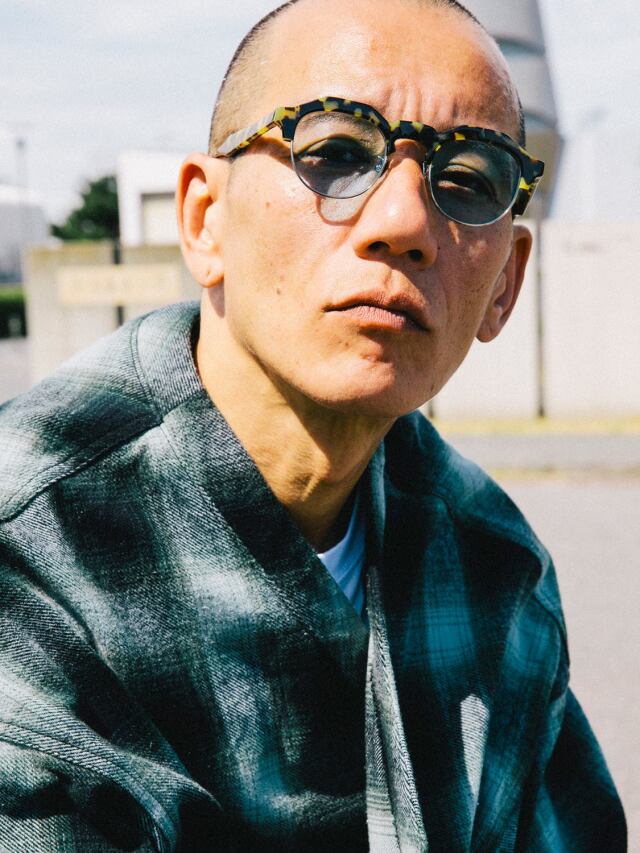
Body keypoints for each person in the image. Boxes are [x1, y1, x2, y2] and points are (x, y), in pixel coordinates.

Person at [0, 0, 626, 850]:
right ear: (205, 219)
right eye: (334, 152)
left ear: (505, 285)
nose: (404, 224)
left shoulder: (493, 567)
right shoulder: (34, 554)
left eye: (469, 180)